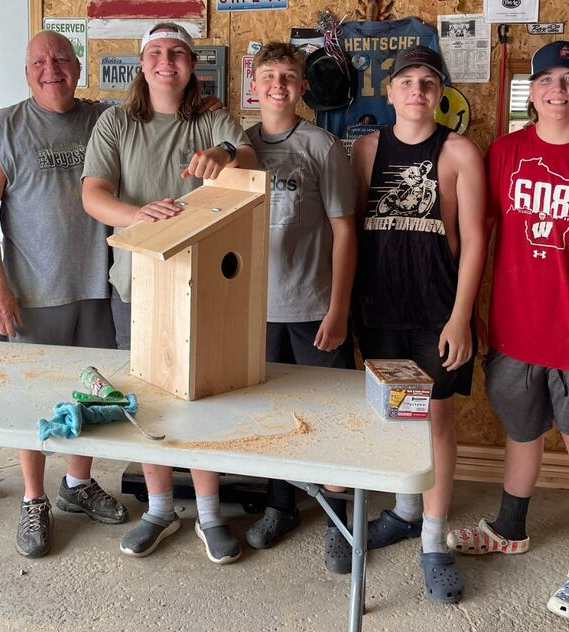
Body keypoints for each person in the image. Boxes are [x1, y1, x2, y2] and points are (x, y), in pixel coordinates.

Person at [446, 41, 569, 621]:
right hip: (512, 334)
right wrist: (468, 311)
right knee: (521, 434)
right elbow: (476, 237)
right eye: (547, 78)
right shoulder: (503, 153)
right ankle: (510, 525)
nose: (558, 89)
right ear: (530, 92)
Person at [81, 22, 258, 564]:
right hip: (136, 283)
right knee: (146, 399)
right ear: (142, 63)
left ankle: (208, 513)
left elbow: (250, 160)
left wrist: (225, 155)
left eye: (177, 52)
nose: (166, 61)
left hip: (202, 285)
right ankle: (159, 508)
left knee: (199, 397)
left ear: (192, 64)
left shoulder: (212, 119)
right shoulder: (115, 121)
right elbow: (92, 194)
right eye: (156, 52)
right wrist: (141, 217)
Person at [0, 30, 128, 559]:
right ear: (26, 70)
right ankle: (34, 497)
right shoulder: (1, 129)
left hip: (100, 289)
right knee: (34, 402)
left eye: (61, 58)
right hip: (32, 294)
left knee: (91, 395)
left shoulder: (105, 119)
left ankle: (77, 485)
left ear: (78, 66)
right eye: (39, 60)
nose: (51, 68)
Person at [351, 45, 486, 603]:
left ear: (441, 93)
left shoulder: (458, 152)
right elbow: (348, 232)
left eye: (428, 83)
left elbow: (477, 238)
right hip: (379, 306)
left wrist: (460, 317)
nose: (417, 91)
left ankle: (434, 538)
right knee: (394, 417)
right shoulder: (364, 149)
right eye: (406, 81)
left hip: (436, 310)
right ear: (390, 93)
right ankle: (406, 512)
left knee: (435, 421)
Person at [241, 42, 357, 574]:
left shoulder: (322, 145)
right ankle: (280, 504)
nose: (279, 85)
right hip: (253, 312)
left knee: (329, 417)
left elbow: (344, 230)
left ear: (302, 87)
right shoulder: (237, 145)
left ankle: (339, 520)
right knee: (269, 416)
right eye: (269, 75)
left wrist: (338, 308)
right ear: (254, 83)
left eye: (289, 76)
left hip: (312, 307)